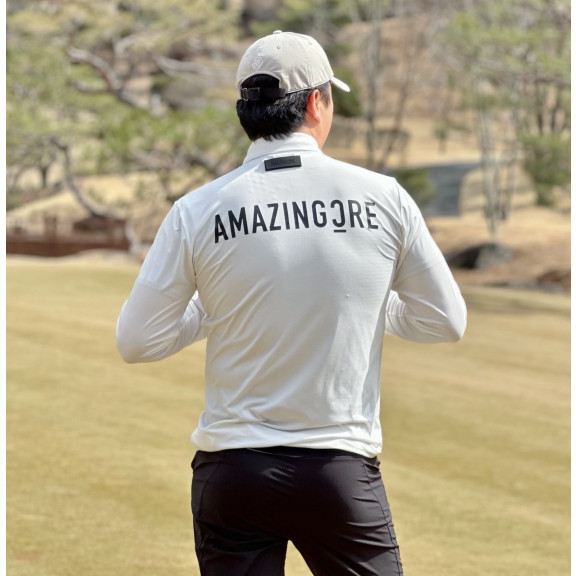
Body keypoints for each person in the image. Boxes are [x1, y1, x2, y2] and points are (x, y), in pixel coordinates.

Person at [116, 30, 467, 576]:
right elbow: (445, 320)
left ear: (246, 111)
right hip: (337, 472)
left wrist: (212, 310)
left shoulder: (196, 209)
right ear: (315, 103)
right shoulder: (383, 196)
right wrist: (369, 303)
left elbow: (137, 341)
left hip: (231, 474)